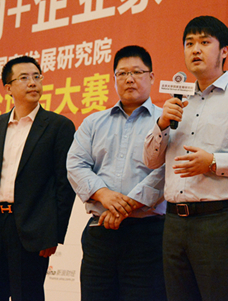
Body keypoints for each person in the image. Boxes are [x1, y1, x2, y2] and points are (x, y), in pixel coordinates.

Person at [143, 16, 228, 301]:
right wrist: (161, 124)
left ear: (224, 50)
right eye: (189, 43)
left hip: (220, 223)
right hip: (174, 224)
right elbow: (150, 161)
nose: (195, 49)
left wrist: (214, 163)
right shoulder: (177, 102)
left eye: (205, 42)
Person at [0, 55, 76, 301]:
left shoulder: (59, 126)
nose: (32, 82)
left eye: (36, 77)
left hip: (31, 229)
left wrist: (53, 233)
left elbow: (64, 186)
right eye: (24, 78)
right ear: (8, 88)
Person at [66, 45, 167, 301]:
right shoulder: (93, 122)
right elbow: (75, 164)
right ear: (114, 79)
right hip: (100, 232)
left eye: (137, 72)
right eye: (122, 73)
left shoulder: (167, 121)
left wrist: (127, 205)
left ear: (152, 77)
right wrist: (103, 194)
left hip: (148, 234)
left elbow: (167, 170)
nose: (129, 79)